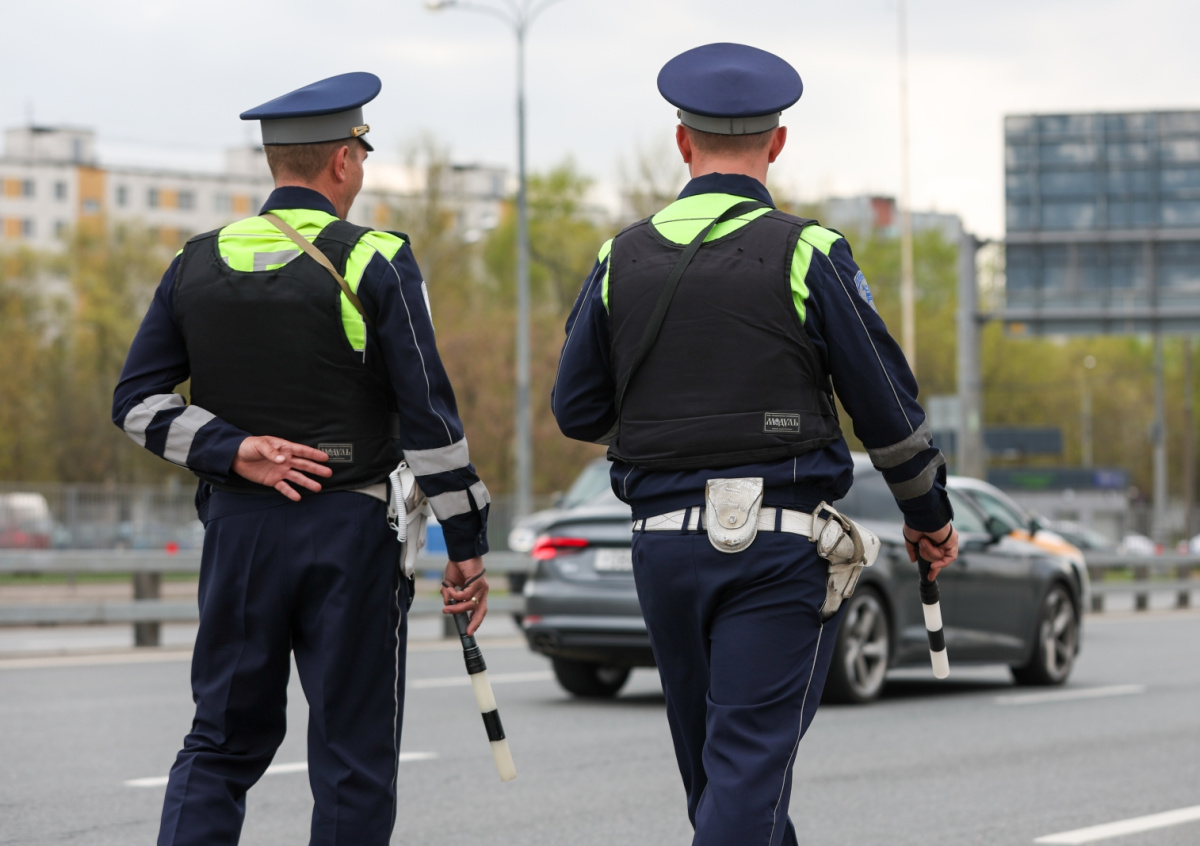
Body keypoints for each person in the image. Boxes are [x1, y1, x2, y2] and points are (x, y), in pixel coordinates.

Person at [552, 43, 959, 846]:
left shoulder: (618, 258)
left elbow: (576, 408)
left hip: (662, 549)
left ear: (682, 142)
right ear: (777, 143)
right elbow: (885, 408)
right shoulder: (808, 252)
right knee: (744, 778)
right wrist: (929, 516)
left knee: (725, 784)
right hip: (774, 551)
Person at [112, 72, 491, 846]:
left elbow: (136, 403)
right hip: (352, 538)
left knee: (220, 743)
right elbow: (429, 418)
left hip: (240, 536)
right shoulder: (377, 258)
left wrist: (233, 450)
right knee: (354, 759)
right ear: (344, 160)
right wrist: (467, 542)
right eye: (362, 154)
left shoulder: (194, 261)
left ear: (274, 161)